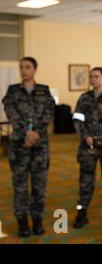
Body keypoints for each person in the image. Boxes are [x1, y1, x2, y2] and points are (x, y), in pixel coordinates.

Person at [2, 57, 55, 237]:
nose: (24, 70)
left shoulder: (44, 91)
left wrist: (36, 134)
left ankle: (38, 220)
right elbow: (10, 112)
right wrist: (26, 132)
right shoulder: (13, 91)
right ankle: (22, 222)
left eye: (27, 67)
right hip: (19, 146)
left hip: (40, 147)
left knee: (39, 185)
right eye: (21, 67)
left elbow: (49, 113)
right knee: (20, 186)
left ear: (35, 69)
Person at [72, 67, 102, 228]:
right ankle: (82, 212)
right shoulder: (84, 98)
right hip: (88, 146)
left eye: (96, 76)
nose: (93, 79)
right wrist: (86, 137)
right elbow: (78, 119)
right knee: (85, 181)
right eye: (91, 77)